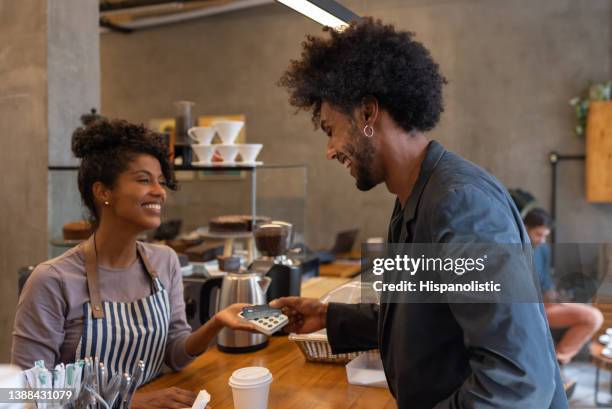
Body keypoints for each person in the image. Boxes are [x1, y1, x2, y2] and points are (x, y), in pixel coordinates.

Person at [272, 18, 568, 408]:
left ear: (367, 114)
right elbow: (427, 314)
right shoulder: (413, 197)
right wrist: (329, 317)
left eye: (330, 129)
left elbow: (515, 384)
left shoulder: (461, 206)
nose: (329, 150)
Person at [11, 119, 256, 409]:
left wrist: (215, 323)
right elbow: (23, 395)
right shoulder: (52, 280)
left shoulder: (164, 261)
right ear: (103, 192)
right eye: (144, 180)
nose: (160, 191)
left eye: (161, 182)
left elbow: (175, 354)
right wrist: (128, 402)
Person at [524, 208, 603, 366]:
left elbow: (546, 279)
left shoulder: (543, 249)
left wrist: (554, 293)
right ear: (525, 228)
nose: (542, 240)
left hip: (547, 303)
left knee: (594, 316)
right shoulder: (515, 252)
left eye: (545, 236)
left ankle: (559, 359)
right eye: (538, 234)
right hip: (531, 309)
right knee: (593, 317)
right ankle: (558, 362)